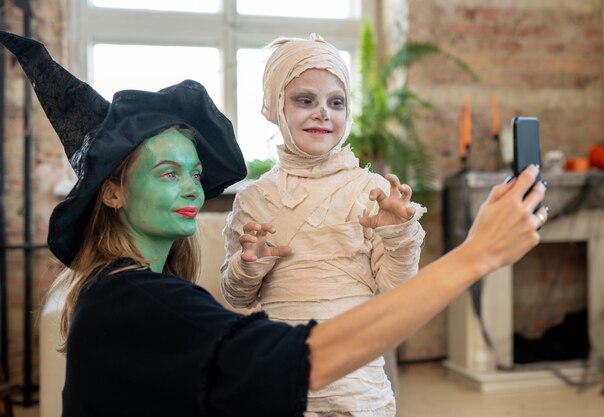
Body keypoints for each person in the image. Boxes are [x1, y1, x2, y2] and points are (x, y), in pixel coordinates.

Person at [0, 31, 548, 417]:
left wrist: (398, 233)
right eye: (169, 172)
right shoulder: (139, 301)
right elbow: (294, 354)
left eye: (195, 172)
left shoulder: (142, 290)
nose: (193, 187)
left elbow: (389, 285)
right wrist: (478, 253)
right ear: (112, 191)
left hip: (357, 382)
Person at [219, 34, 426, 416]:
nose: (322, 113)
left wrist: (399, 234)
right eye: (305, 100)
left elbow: (397, 292)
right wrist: (247, 266)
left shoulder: (373, 191)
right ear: (274, 106)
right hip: (281, 381)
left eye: (336, 102)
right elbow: (237, 296)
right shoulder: (254, 199)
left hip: (357, 386)